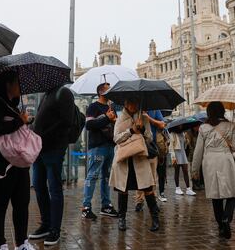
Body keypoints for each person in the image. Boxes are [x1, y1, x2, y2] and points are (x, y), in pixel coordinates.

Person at [0, 70, 35, 250]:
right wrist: (19, 121)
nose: (20, 87)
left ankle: (22, 243)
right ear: (8, 85)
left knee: (22, 204)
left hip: (19, 162)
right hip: (0, 163)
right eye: (17, 83)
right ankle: (0, 245)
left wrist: (23, 120)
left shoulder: (14, 106)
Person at [29, 84, 84, 246]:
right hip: (40, 148)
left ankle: (55, 230)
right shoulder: (46, 95)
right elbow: (43, 120)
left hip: (54, 148)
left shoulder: (63, 92)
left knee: (54, 188)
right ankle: (45, 225)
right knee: (38, 185)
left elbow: (66, 122)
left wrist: (44, 134)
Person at [191, 101, 235, 239]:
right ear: (222, 112)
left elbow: (198, 151)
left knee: (216, 196)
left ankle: (221, 226)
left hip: (210, 162)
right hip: (225, 160)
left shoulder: (203, 128)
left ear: (209, 113)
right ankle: (226, 219)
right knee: (233, 194)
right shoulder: (230, 126)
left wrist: (194, 170)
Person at [109, 98, 159, 232]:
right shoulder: (120, 118)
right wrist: (130, 131)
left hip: (140, 158)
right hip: (124, 159)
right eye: (130, 103)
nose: (133, 106)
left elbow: (149, 138)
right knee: (122, 189)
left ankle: (155, 218)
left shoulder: (143, 117)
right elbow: (116, 138)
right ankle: (122, 219)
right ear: (125, 104)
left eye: (135, 103)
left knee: (147, 188)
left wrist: (142, 129)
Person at [81, 83, 118, 219]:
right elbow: (89, 125)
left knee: (107, 176)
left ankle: (106, 205)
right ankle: (86, 207)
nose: (111, 90)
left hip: (110, 145)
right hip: (97, 146)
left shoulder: (111, 107)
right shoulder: (93, 106)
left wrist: (114, 120)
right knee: (92, 175)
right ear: (101, 92)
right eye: (108, 88)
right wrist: (106, 118)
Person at [134, 110, 166, 210]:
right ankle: (139, 201)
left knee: (152, 176)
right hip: (138, 147)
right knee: (139, 175)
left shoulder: (155, 110)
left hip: (152, 147)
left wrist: (149, 119)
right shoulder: (136, 110)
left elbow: (162, 125)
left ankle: (153, 200)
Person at [169, 128, 196, 196]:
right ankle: (177, 188)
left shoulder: (183, 133)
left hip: (182, 153)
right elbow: (171, 146)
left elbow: (185, 145)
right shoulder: (172, 134)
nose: (181, 127)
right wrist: (173, 157)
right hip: (176, 153)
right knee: (177, 171)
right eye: (179, 126)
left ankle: (188, 189)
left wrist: (187, 140)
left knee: (185, 171)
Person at [185, 124, 204, 190]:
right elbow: (189, 145)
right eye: (196, 126)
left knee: (198, 170)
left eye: (198, 126)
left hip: (198, 154)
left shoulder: (198, 134)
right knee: (193, 170)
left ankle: (198, 184)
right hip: (191, 154)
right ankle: (194, 185)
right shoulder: (189, 134)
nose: (197, 127)